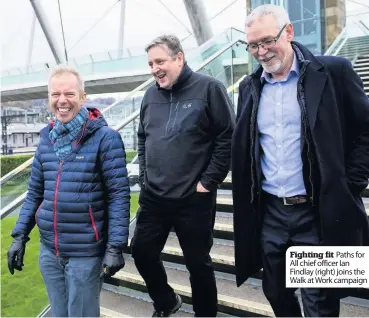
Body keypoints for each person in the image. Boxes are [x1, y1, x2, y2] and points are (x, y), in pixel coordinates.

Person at [232, 4, 369, 317]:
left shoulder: (334, 71)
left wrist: (349, 183)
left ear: (289, 32)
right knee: (275, 293)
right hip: (271, 214)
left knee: (320, 303)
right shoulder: (249, 87)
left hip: (317, 214)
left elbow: (365, 130)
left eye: (268, 41)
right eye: (253, 45)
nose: (262, 51)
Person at [7, 66, 130, 317]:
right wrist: (19, 235)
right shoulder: (46, 139)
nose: (62, 101)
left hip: (85, 253)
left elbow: (118, 195)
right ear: (49, 98)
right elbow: (35, 193)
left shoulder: (106, 138)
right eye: (55, 94)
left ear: (83, 98)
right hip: (50, 252)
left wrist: (115, 247)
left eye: (69, 94)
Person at [131, 34, 235, 317]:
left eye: (160, 61)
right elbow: (142, 137)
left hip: (194, 197)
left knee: (197, 264)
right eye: (151, 63)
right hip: (155, 196)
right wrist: (144, 176)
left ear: (179, 58)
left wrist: (207, 182)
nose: (154, 69)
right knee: (141, 251)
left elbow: (227, 137)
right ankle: (166, 301)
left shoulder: (209, 88)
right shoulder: (150, 95)